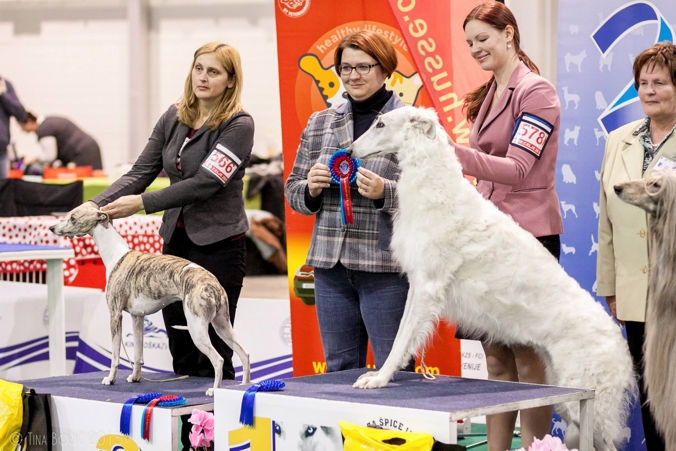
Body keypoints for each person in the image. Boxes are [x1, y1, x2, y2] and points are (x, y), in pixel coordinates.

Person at [85, 41, 254, 381]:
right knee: (182, 349)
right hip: (174, 247)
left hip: (219, 247)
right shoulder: (174, 116)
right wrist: (94, 205)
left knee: (212, 354)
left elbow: (206, 182)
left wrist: (144, 203)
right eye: (198, 68)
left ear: (231, 80)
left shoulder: (239, 124)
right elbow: (140, 172)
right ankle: (185, 433)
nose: (202, 78)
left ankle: (216, 429)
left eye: (214, 72)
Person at [451, 3, 563, 450]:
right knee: (495, 359)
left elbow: (517, 169)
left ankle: (539, 447)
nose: (476, 49)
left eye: (483, 39)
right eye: (470, 43)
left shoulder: (536, 92)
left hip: (527, 239)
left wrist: (450, 151)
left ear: (510, 34)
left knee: (528, 358)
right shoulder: (489, 93)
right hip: (487, 237)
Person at [285, 30, 414, 373]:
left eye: (363, 67)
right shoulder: (320, 122)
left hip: (386, 267)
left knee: (396, 369)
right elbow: (293, 189)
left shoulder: (411, 123)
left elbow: (435, 196)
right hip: (330, 269)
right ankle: (344, 431)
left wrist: (386, 192)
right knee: (339, 369)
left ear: (385, 69)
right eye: (345, 68)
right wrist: (310, 188)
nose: (353, 76)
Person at [597, 42, 676, 451]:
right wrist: (609, 285)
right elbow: (606, 222)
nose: (648, 91)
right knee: (651, 388)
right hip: (634, 291)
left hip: (674, 291)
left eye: (659, 82)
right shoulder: (618, 139)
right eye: (642, 83)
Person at [19, 113, 103, 170]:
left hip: (85, 153)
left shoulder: (45, 128)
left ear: (29, 121)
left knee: (94, 187)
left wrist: (32, 160)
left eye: (22, 126)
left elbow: (49, 157)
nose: (22, 130)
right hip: (88, 149)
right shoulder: (48, 122)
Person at [0, 75, 27, 178]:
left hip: (1, 151)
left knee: (2, 190)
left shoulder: (5, 85)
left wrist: (3, 94)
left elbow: (21, 114)